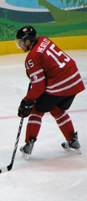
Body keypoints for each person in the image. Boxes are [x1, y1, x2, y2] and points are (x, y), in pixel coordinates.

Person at [15, 26, 84, 159]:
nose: (20, 45)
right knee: (56, 107)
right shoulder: (44, 40)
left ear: (28, 41)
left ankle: (29, 144)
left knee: (37, 109)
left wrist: (26, 101)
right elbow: (51, 66)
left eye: (21, 42)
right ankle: (73, 141)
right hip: (74, 81)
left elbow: (39, 87)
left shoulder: (32, 57)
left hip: (60, 84)